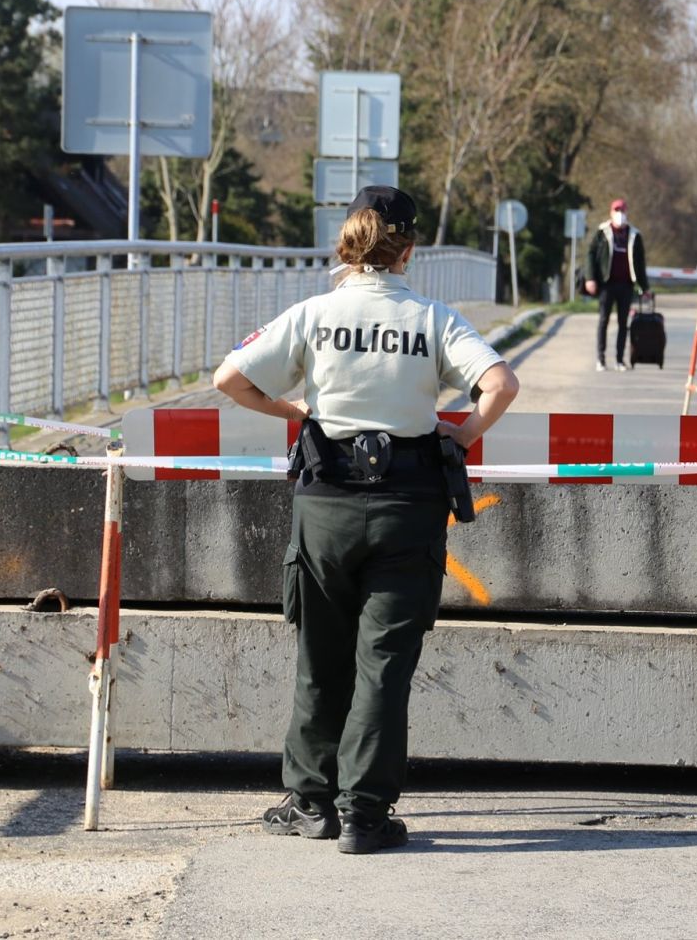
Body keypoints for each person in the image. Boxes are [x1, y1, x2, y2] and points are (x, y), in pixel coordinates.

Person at [213, 185, 519, 854]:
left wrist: (296, 415)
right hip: (408, 507)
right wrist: (460, 439)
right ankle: (367, 816)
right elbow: (501, 384)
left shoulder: (314, 313)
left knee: (320, 656)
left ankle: (311, 804)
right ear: (409, 248)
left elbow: (229, 379)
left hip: (326, 506)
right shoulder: (433, 318)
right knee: (384, 664)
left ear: (349, 241)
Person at [583, 198, 650, 371]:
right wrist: (590, 278)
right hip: (607, 284)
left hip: (626, 285)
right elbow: (590, 255)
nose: (620, 214)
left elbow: (640, 263)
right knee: (604, 320)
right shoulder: (602, 232)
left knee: (623, 322)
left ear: (627, 213)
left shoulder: (634, 235)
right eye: (616, 210)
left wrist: (645, 287)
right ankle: (601, 359)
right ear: (611, 212)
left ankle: (619, 360)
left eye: (622, 211)